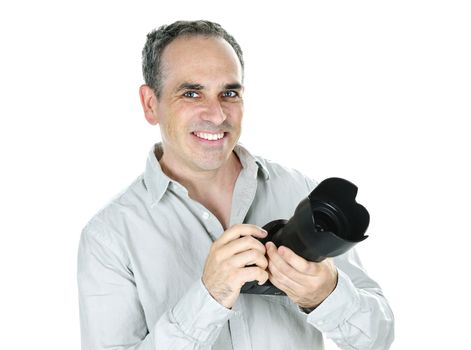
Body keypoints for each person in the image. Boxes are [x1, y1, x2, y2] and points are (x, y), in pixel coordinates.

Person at [77, 20, 395, 350]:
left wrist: (326, 294)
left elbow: (377, 338)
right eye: (191, 93)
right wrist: (209, 296)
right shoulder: (110, 238)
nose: (216, 115)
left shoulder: (300, 193)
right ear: (150, 103)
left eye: (229, 93)